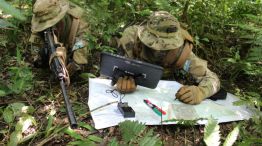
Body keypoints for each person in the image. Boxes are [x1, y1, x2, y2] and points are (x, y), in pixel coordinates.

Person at [115, 11, 220, 105]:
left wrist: (200, 92)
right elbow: (114, 70)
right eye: (155, 44)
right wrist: (122, 80)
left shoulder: (181, 52)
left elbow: (213, 79)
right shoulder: (131, 39)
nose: (160, 49)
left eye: (166, 46)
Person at [29, 0, 89, 84]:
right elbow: (35, 47)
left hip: (70, 49)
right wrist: (41, 57)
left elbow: (80, 57)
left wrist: (67, 70)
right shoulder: (41, 16)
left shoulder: (78, 22)